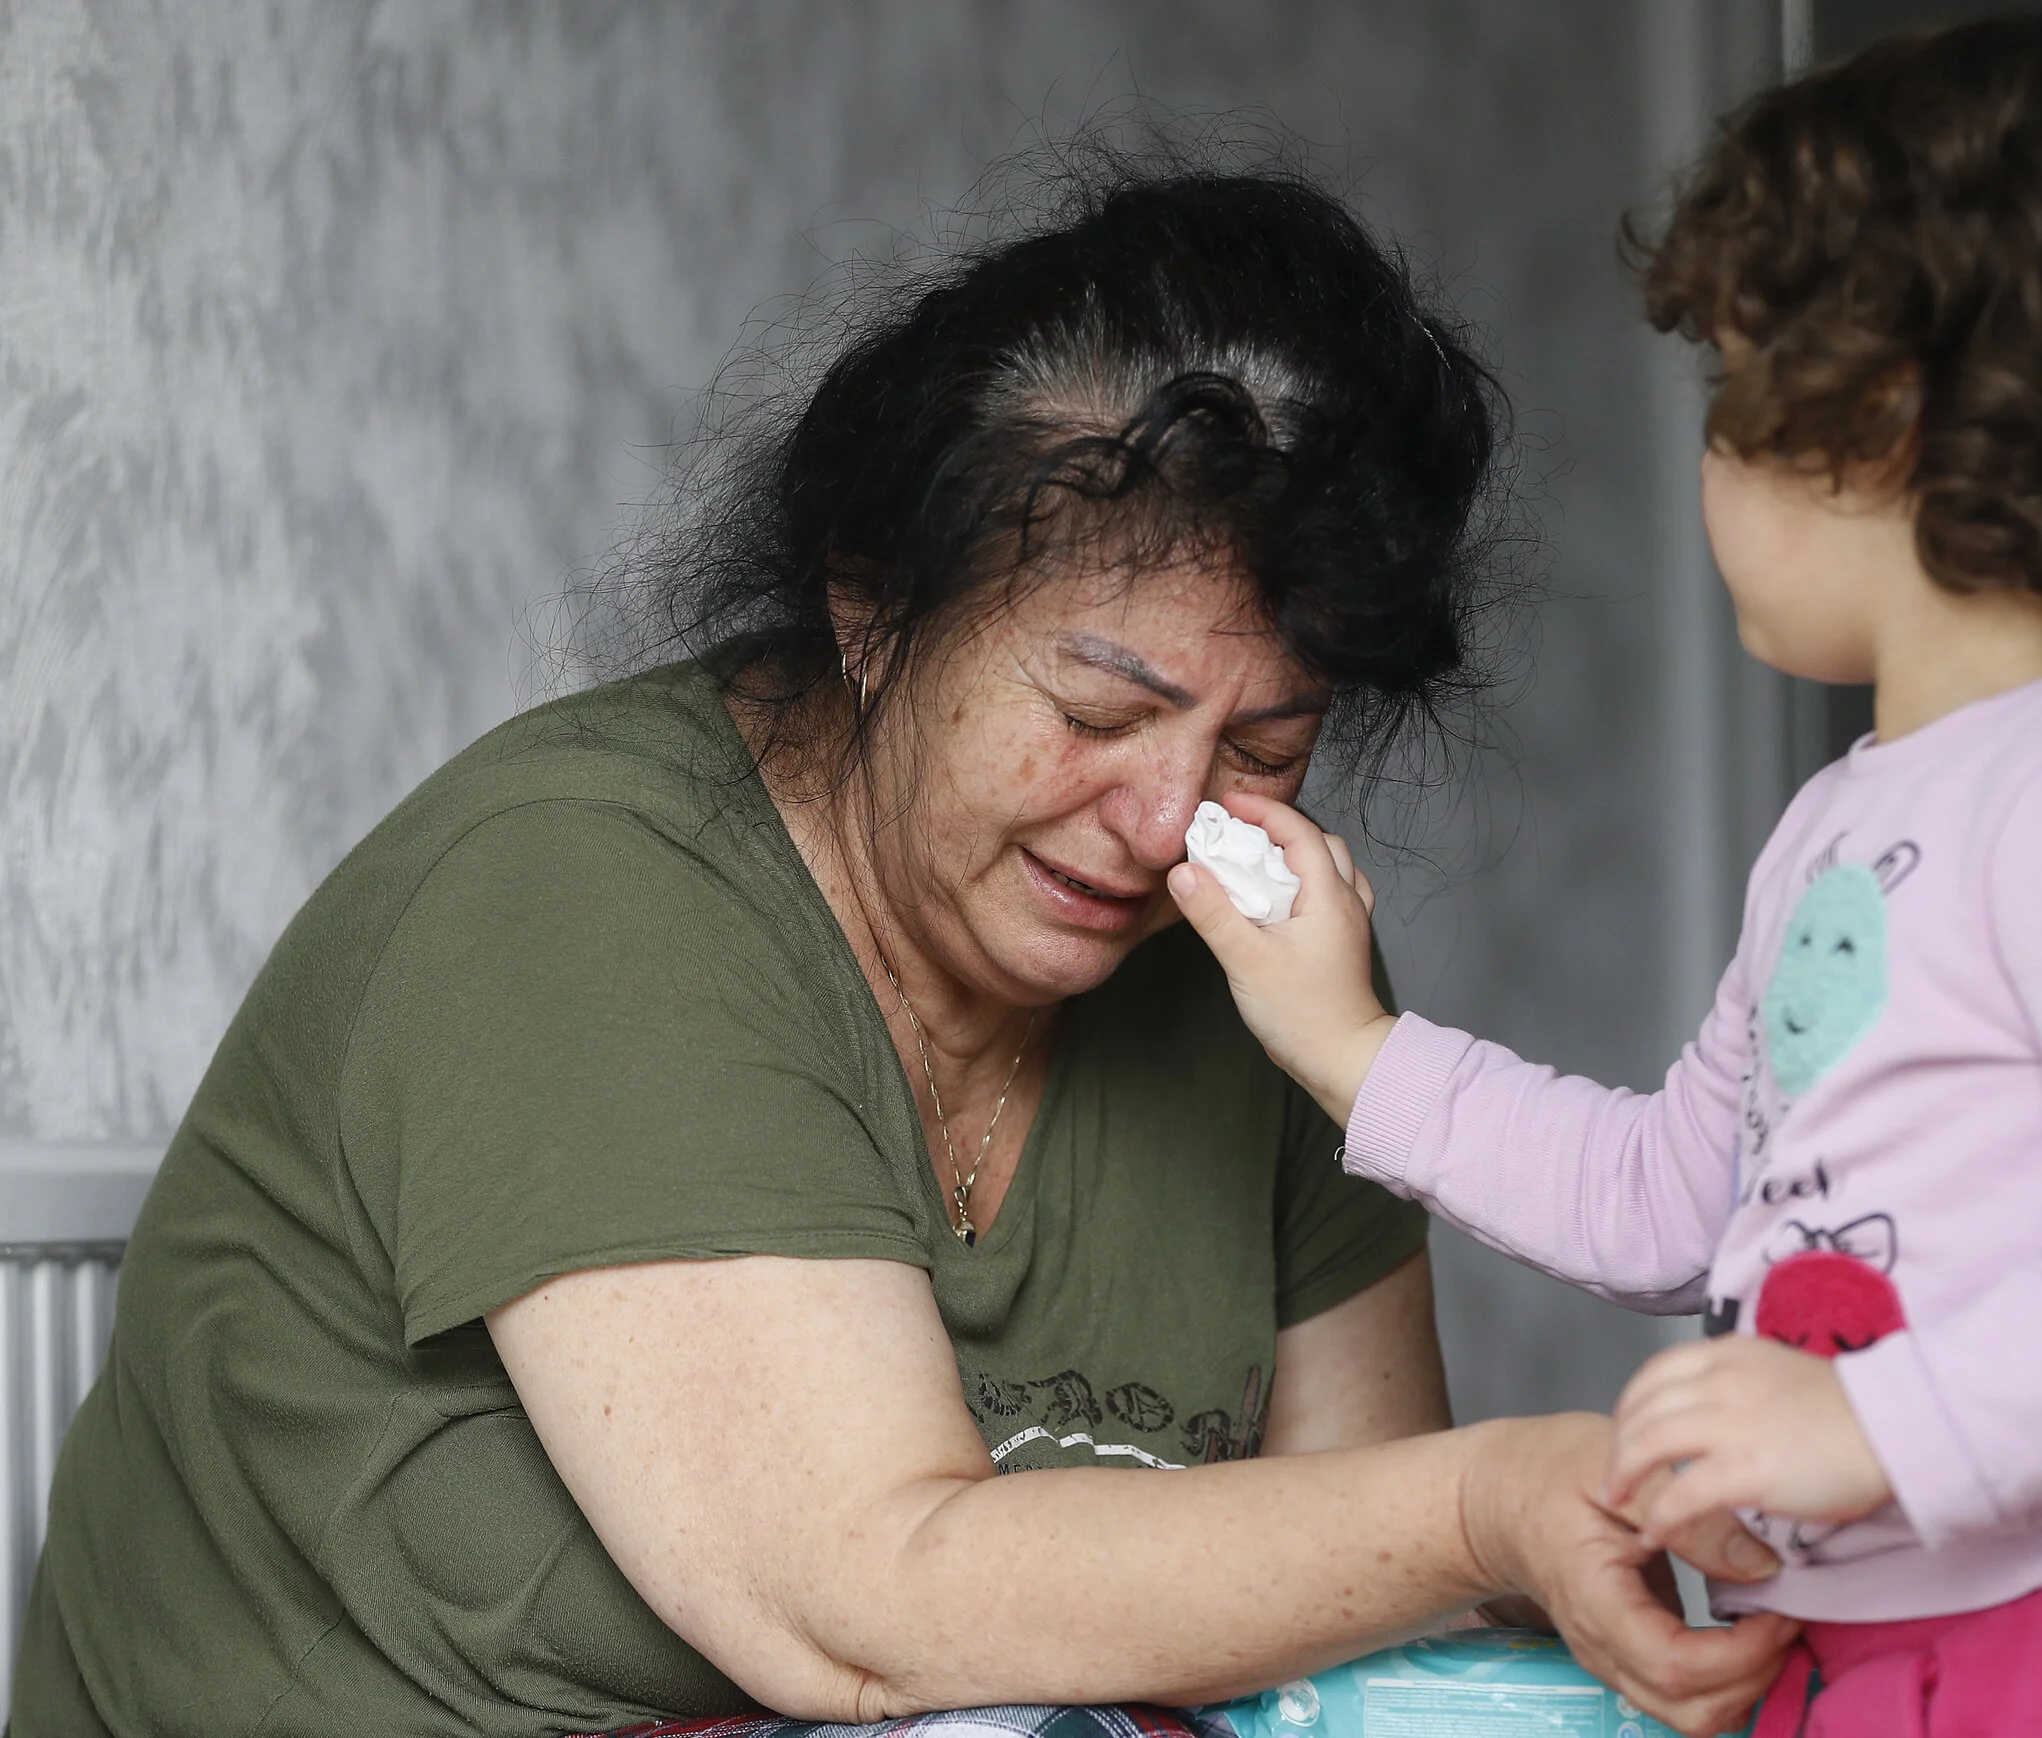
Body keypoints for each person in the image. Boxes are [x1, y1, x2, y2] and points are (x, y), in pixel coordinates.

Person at [11, 162, 1795, 1736]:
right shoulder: (583, 891)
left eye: (1266, 746)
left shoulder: (1252, 960)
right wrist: (1491, 1507)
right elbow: (864, 1604)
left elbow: (1344, 1607)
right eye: (1101, 707)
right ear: (871, 613)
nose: (1174, 818)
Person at [1168, 21, 2042, 1734]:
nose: (1708, 461)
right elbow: (1671, 1193)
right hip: (1889, 1664)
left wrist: (1871, 1430)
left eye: (1731, 399)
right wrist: (1350, 1042)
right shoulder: (1844, 823)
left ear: (1871, 421)